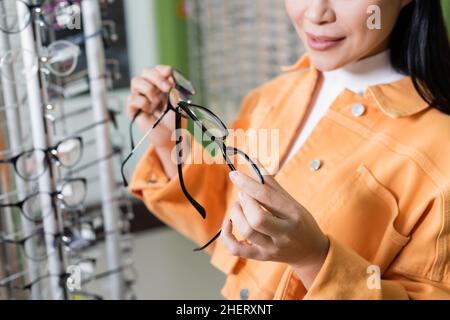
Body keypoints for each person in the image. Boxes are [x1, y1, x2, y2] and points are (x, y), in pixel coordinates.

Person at [126, 0, 450, 299]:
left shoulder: (441, 148)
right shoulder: (270, 97)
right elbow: (227, 223)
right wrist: (170, 141)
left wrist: (314, 259)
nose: (315, 14)